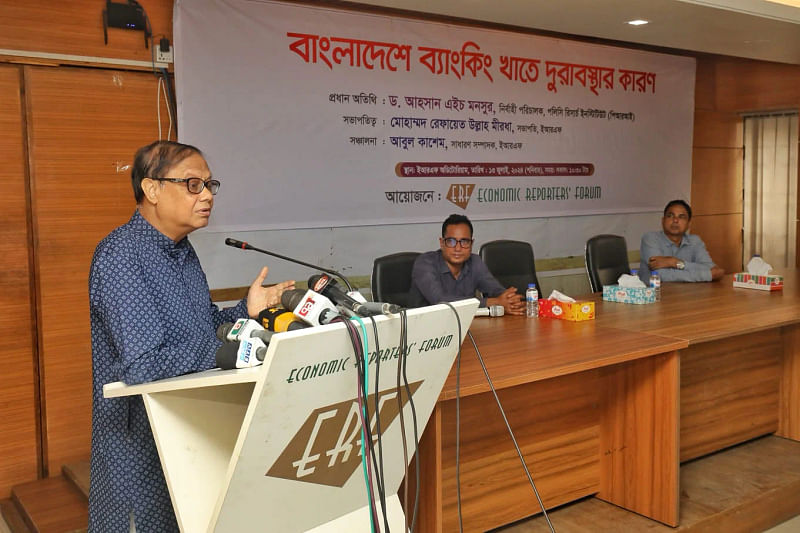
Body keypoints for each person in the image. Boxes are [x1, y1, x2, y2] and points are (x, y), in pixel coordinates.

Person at [88, 140, 295, 532]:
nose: (207, 196)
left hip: (192, 428)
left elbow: (200, 330)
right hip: (140, 449)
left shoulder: (181, 251)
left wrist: (244, 313)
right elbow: (143, 365)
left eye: (209, 185)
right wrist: (232, 349)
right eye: (193, 184)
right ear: (152, 190)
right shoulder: (121, 256)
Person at [408, 214, 524, 314]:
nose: (458, 248)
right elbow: (441, 301)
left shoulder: (475, 261)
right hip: (424, 331)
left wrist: (510, 299)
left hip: (466, 327)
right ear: (442, 243)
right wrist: (493, 302)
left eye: (464, 241)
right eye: (451, 241)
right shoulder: (424, 263)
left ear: (471, 243)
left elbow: (495, 290)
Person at [639, 199, 725, 283]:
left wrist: (676, 262)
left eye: (681, 217)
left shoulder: (695, 241)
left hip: (687, 293)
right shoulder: (650, 239)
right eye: (670, 216)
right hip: (655, 294)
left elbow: (710, 268)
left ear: (689, 224)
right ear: (663, 221)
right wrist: (707, 275)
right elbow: (661, 275)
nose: (675, 220)